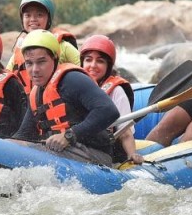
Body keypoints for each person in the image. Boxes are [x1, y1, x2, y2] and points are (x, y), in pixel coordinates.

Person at [11, 29, 119, 165]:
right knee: (14, 144)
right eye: (29, 63)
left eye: (41, 62)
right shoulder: (36, 93)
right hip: (63, 152)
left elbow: (109, 111)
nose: (34, 70)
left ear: (55, 59)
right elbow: (23, 135)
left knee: (30, 152)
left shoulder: (72, 79)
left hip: (95, 155)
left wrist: (69, 135)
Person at [80, 34, 144, 164]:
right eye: (88, 60)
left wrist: (132, 154)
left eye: (100, 61)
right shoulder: (75, 86)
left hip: (108, 150)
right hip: (81, 145)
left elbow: (125, 133)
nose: (93, 65)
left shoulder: (116, 91)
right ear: (81, 63)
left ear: (108, 66)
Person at [7, 0, 55, 90]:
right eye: (27, 15)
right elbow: (6, 75)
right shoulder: (19, 50)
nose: (33, 19)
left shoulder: (61, 45)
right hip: (26, 102)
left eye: (39, 15)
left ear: (49, 19)